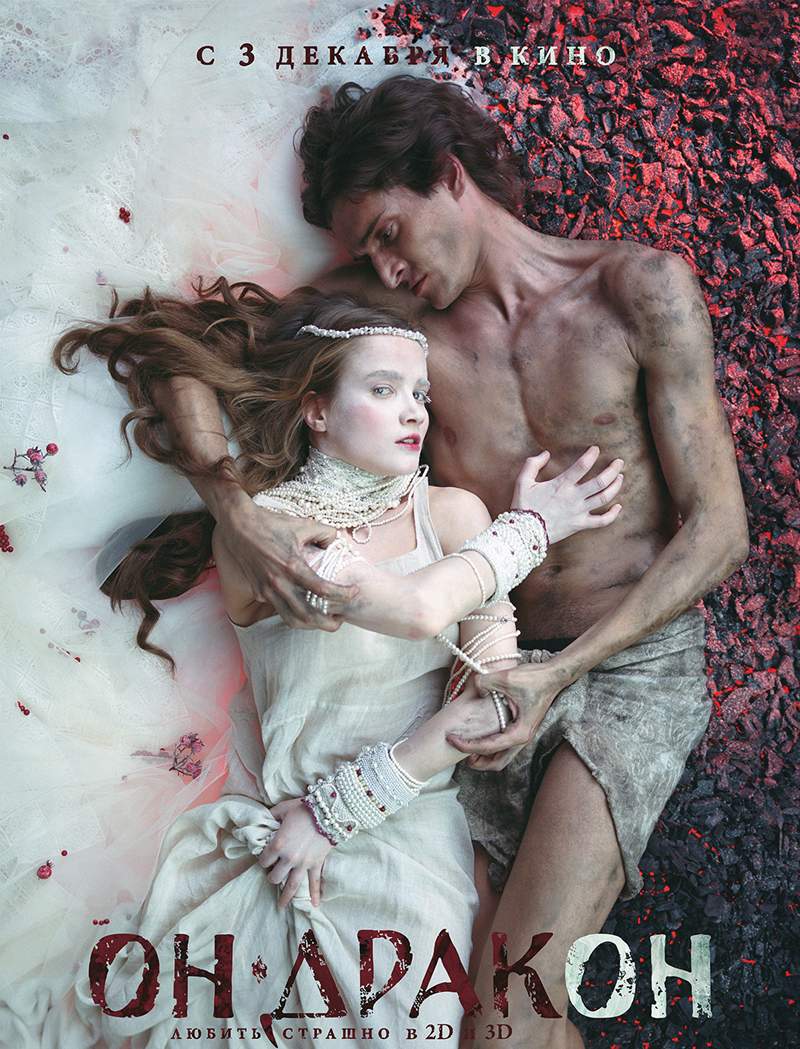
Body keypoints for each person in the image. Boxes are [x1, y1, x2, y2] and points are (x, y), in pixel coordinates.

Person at [140, 75, 749, 1047]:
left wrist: (562, 670)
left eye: (389, 230)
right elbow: (177, 351)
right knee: (488, 1007)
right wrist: (239, 517)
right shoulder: (387, 328)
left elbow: (719, 529)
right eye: (366, 251)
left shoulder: (637, 288)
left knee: (509, 1005)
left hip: (625, 666)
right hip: (472, 668)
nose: (386, 264)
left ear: (450, 176)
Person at [44, 282, 623, 1047]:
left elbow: (496, 703)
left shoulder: (456, 518)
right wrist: (529, 531)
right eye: (384, 390)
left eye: (419, 393)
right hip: (283, 845)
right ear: (315, 409)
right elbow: (415, 610)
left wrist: (337, 809)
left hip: (408, 832)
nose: (415, 411)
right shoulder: (269, 533)